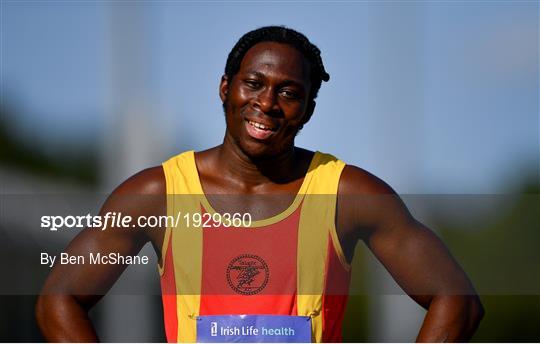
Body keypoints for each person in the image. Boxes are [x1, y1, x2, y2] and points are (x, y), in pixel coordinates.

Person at [36, 26, 483, 342]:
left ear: (308, 109)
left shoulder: (350, 194)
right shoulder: (157, 194)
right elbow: (59, 301)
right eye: (254, 84)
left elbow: (457, 301)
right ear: (225, 88)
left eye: (289, 93)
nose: (267, 103)